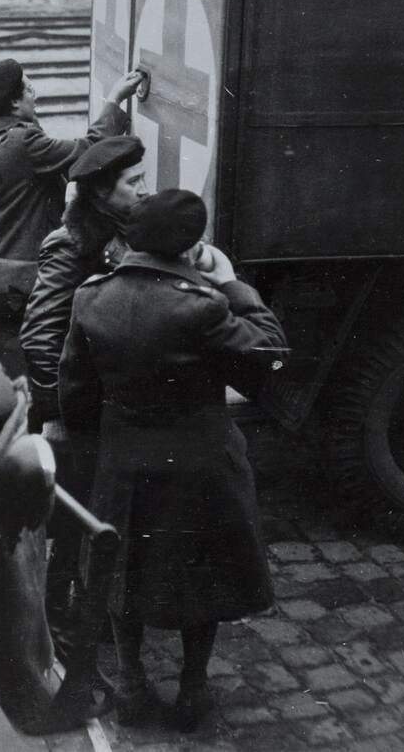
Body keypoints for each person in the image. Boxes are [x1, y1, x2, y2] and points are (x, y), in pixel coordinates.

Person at [58, 189, 288, 731]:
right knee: (202, 576)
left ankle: (133, 684)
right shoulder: (203, 305)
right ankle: (192, 689)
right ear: (191, 245)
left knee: (120, 571)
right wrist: (230, 280)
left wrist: (104, 448)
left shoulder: (90, 297)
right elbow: (271, 355)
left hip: (124, 462)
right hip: (200, 462)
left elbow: (75, 393)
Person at [0, 58, 144, 376]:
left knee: (9, 367)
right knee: (39, 360)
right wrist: (114, 100)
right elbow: (90, 150)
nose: (35, 94)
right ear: (13, 102)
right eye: (29, 88)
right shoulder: (23, 142)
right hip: (24, 276)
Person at [20, 134, 148, 431]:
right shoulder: (71, 245)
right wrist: (55, 415)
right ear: (102, 192)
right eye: (133, 182)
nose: (145, 190)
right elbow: (41, 333)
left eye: (143, 179)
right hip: (84, 405)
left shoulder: (128, 225)